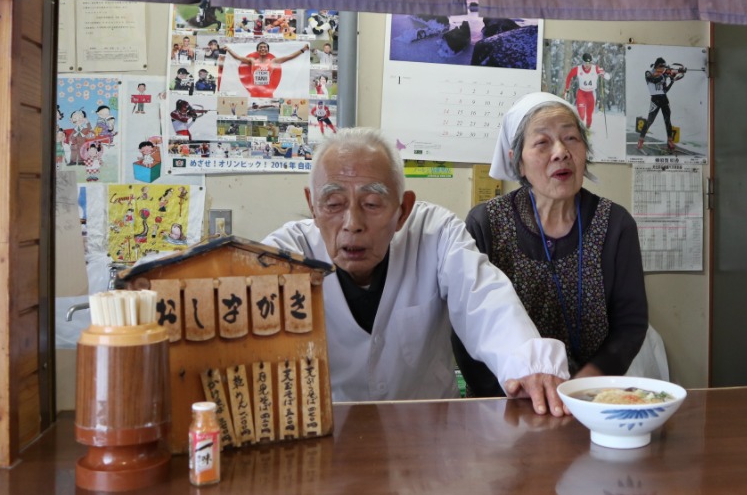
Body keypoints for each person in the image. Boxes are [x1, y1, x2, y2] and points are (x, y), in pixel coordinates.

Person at [262, 128, 570, 412]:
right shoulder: (284, 254)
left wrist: (528, 362)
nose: (352, 224)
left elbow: (485, 298)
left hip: (430, 435)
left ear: (402, 211)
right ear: (312, 205)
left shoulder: (435, 234)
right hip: (330, 432)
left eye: (371, 203)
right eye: (333, 203)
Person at [451, 93, 647, 397]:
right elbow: (465, 325)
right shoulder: (486, 223)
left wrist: (581, 387)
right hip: (507, 400)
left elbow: (630, 325)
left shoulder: (615, 224)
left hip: (589, 396)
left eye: (571, 138)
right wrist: (512, 393)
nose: (561, 152)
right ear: (518, 161)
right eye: (542, 142)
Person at [223, 40, 308, 98]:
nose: (263, 48)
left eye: (265, 47)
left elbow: (290, 57)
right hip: (254, 94)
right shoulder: (252, 61)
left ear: (267, 50)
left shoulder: (273, 61)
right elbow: (237, 57)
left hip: (268, 94)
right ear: (257, 50)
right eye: (261, 47)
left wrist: (303, 49)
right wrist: (229, 49)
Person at [636, 56, 686, 151]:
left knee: (668, 120)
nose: (662, 69)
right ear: (656, 66)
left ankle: (670, 141)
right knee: (650, 120)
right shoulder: (648, 73)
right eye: (661, 68)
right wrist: (665, 75)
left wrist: (671, 81)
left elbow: (665, 90)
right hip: (655, 100)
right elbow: (653, 80)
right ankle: (641, 140)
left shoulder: (663, 75)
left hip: (663, 99)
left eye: (663, 68)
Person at [562, 51, 609, 129]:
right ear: (582, 62)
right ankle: (580, 130)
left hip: (591, 94)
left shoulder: (595, 68)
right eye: (585, 63)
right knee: (581, 115)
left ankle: (587, 129)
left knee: (589, 116)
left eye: (589, 63)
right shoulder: (578, 69)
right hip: (581, 93)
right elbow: (569, 76)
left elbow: (607, 76)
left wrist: (604, 74)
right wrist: (567, 88)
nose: (587, 65)